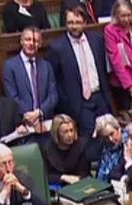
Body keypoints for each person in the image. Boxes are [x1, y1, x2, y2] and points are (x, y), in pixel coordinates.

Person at [47, 6, 113, 139]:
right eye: (70, 23)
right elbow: (54, 80)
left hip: (99, 97)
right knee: (88, 139)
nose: (74, 27)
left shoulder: (97, 40)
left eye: (77, 23)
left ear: (84, 23)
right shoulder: (57, 47)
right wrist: (67, 104)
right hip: (78, 103)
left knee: (109, 134)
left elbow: (103, 70)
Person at [2, 27, 58, 129]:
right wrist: (30, 116)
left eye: (35, 41)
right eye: (28, 40)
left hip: (45, 120)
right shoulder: (10, 66)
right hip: (22, 122)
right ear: (21, 41)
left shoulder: (46, 66)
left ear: (40, 44)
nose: (31, 44)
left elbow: (53, 95)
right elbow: (11, 97)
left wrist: (40, 113)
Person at [42, 114, 90, 186]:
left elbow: (84, 173)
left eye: (71, 130)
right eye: (65, 132)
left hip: (79, 184)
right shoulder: (47, 148)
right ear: (57, 133)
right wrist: (62, 177)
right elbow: (45, 175)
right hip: (56, 186)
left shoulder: (82, 145)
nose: (70, 135)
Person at [93, 114, 127, 182]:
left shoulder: (128, 144)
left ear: (118, 129)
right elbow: (90, 155)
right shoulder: (103, 144)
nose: (110, 139)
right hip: (99, 185)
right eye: (106, 136)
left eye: (112, 134)